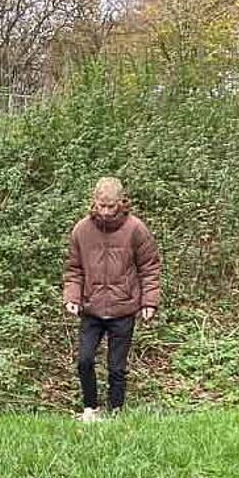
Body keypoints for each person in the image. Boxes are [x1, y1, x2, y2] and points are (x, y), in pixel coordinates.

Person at [62, 177, 161, 420]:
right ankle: (90, 409)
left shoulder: (136, 229)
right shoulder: (81, 230)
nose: (105, 212)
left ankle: (116, 412)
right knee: (84, 361)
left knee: (117, 367)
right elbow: (74, 269)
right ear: (94, 203)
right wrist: (72, 296)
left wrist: (149, 302)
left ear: (121, 203)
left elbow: (149, 267)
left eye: (111, 206)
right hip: (91, 308)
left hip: (123, 308)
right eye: (101, 206)